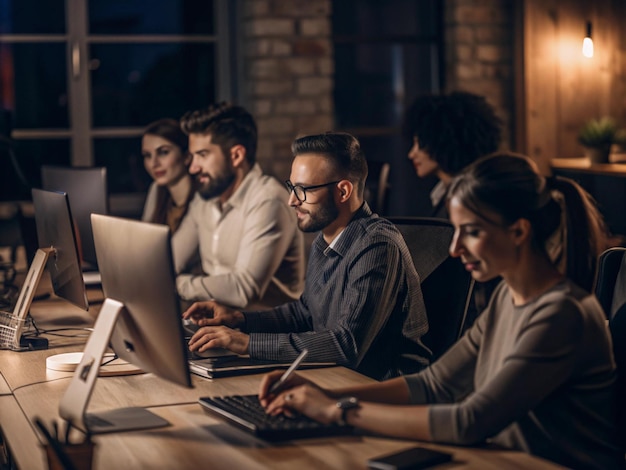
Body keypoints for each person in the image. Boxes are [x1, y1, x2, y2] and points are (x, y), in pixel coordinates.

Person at [258, 153, 623, 470]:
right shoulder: (507, 299)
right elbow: (435, 384)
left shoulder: (563, 315)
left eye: (471, 232)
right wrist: (323, 395)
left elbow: (469, 421)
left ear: (519, 232)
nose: (454, 248)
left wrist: (337, 412)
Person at [183, 132, 431, 380]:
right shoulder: (324, 240)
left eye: (302, 190)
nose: (292, 201)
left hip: (381, 390)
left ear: (343, 191)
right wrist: (238, 320)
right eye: (292, 187)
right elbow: (304, 313)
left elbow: (347, 345)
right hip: (334, 378)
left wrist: (247, 343)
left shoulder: (377, 246)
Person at [172, 102, 304, 310]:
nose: (193, 167)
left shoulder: (269, 201)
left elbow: (243, 289)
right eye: (193, 155)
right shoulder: (205, 199)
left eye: (202, 155)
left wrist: (176, 285)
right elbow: (170, 260)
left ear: (236, 156)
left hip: (266, 335)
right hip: (219, 323)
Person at [405, 91, 502, 218]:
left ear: (442, 141)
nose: (411, 154)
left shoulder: (471, 200)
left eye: (420, 144)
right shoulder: (442, 195)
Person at [141, 118, 194, 233]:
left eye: (163, 152)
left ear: (186, 157)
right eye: (147, 155)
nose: (154, 163)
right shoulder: (156, 190)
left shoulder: (201, 200)